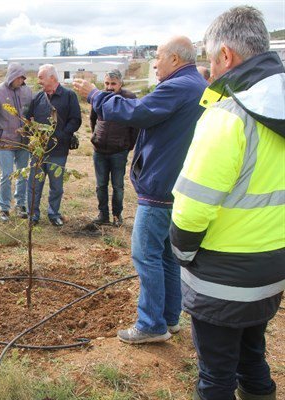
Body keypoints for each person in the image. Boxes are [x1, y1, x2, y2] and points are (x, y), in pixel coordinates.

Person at [169, 6, 284, 400]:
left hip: (222, 276)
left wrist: (182, 254)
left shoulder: (228, 117)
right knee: (252, 355)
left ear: (227, 56)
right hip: (272, 265)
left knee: (216, 375)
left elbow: (191, 209)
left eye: (210, 57)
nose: (210, 69)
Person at [74, 36, 207, 344]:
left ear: (175, 58)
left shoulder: (178, 86)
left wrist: (96, 96)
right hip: (177, 185)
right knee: (166, 256)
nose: (155, 63)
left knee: (145, 254)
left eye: (158, 57)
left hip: (160, 187)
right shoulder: (195, 85)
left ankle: (150, 325)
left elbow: (137, 112)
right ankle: (170, 318)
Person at [25, 64, 82, 226]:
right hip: (38, 151)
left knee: (56, 186)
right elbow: (27, 118)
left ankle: (54, 213)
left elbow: (75, 119)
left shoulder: (69, 96)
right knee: (34, 184)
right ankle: (33, 215)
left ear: (52, 78)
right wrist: (32, 135)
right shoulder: (38, 97)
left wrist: (63, 135)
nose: (39, 81)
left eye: (41, 77)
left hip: (58, 151)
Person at [0, 63, 33, 222]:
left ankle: (21, 205)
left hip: (24, 142)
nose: (21, 80)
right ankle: (4, 208)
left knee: (23, 174)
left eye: (23, 77)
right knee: (7, 175)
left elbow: (33, 110)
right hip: (4, 142)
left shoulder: (27, 91)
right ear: (11, 76)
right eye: (18, 77)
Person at [89, 69, 138, 227]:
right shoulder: (100, 98)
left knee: (118, 186)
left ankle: (117, 215)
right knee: (101, 185)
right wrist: (97, 136)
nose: (110, 87)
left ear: (120, 83)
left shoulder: (129, 98)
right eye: (107, 83)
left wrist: (127, 145)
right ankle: (103, 215)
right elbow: (92, 119)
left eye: (113, 84)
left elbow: (135, 127)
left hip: (119, 151)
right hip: (100, 151)